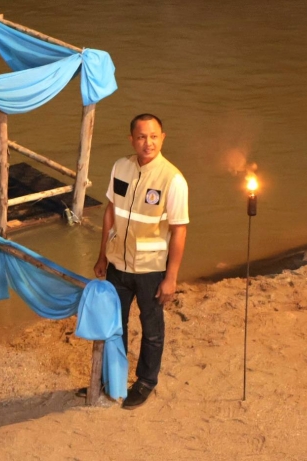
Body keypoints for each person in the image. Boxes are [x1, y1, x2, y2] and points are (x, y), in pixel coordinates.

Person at [94, 113, 189, 409]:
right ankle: (114, 379)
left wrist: (171, 277)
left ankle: (146, 381)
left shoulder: (173, 179)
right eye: (142, 137)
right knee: (114, 326)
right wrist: (102, 255)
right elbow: (110, 211)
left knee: (151, 329)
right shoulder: (120, 167)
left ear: (163, 138)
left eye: (154, 136)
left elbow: (179, 230)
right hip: (117, 265)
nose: (148, 143)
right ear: (132, 139)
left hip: (151, 269)